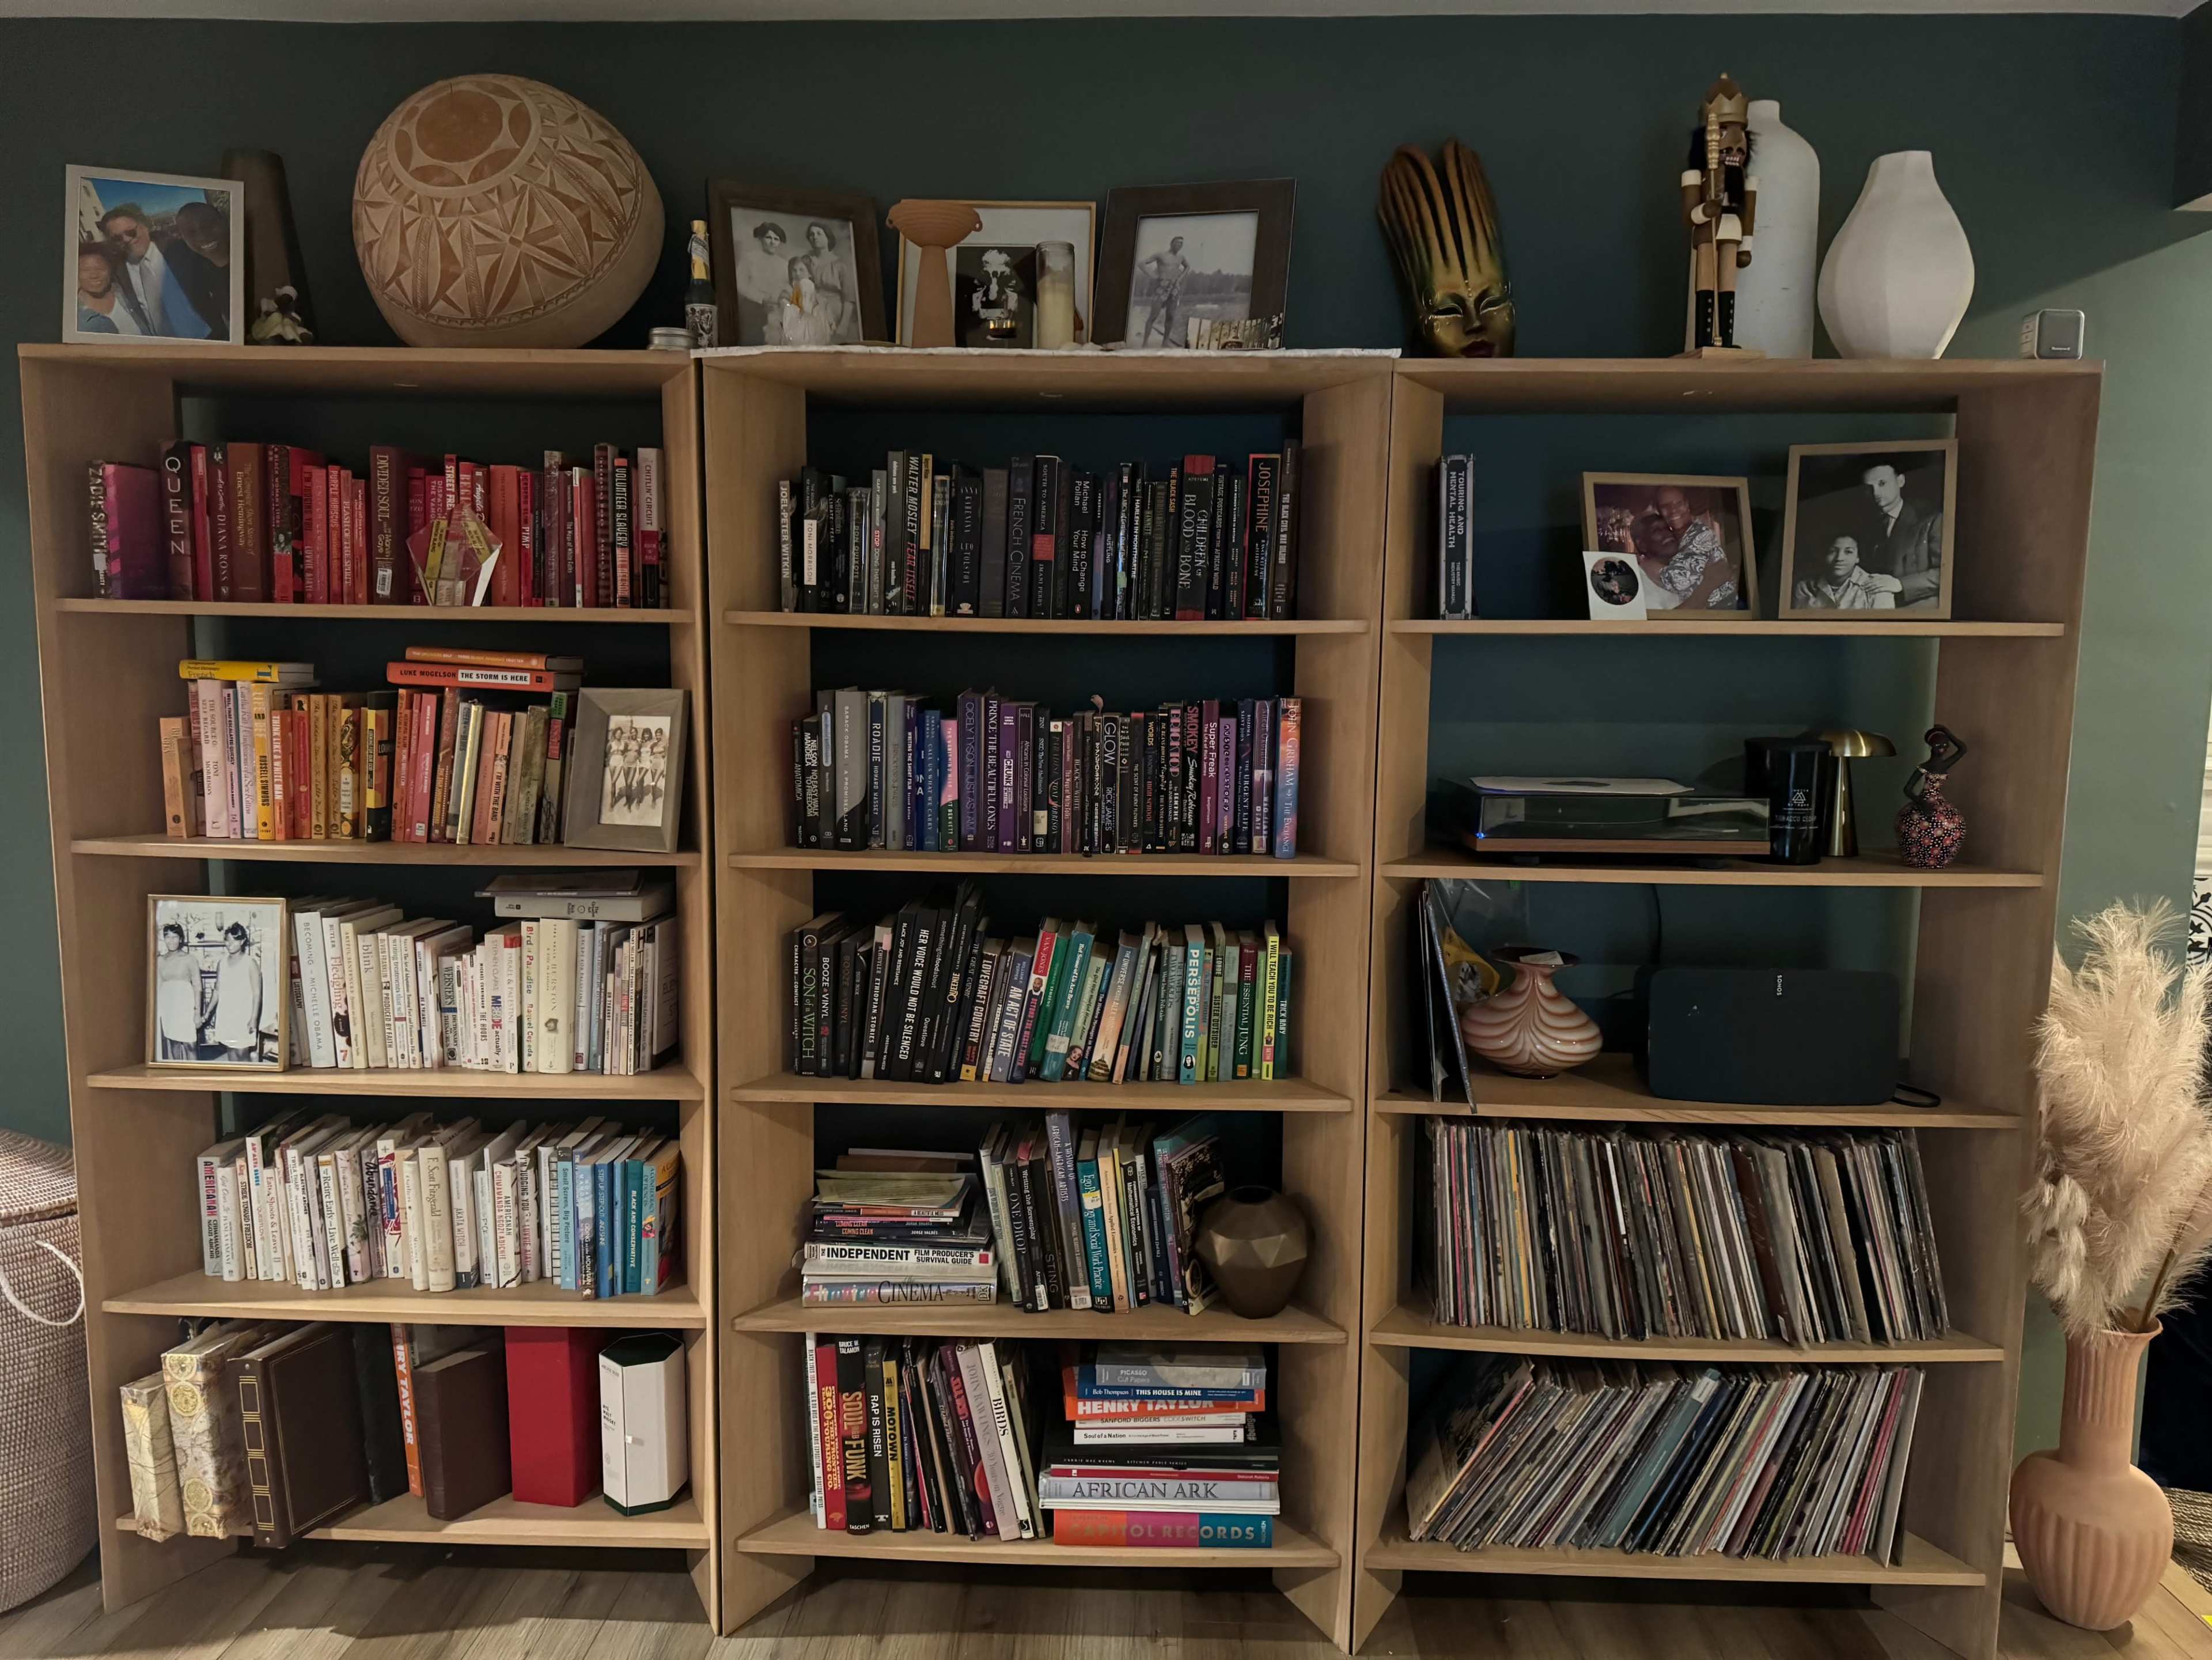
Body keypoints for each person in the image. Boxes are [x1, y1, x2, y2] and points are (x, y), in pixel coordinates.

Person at [97, 203, 212, 339]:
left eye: (130, 232)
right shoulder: (118, 271)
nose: (126, 240)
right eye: (117, 238)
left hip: (209, 339)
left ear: (145, 227)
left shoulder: (181, 251)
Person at [1855, 459, 1944, 607]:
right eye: (1869, 488)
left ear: (1901, 481)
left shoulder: (1932, 518)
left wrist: (1900, 584)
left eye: (1882, 483)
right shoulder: (1867, 527)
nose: (1876, 493)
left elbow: (1946, 575)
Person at [1649, 485, 1738, 609]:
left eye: (1678, 503)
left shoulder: (1702, 535)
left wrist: (1647, 565)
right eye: (1665, 506)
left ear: (1687, 505)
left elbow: (1679, 580)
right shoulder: (1677, 539)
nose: (1673, 510)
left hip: (1723, 609)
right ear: (1659, 512)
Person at [169, 201, 231, 339]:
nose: (202, 236)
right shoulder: (198, 274)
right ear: (183, 239)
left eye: (209, 225)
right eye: (191, 233)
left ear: (224, 221)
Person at [1793, 532, 1901, 611]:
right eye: (1832, 551)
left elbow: (1881, 632)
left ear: (1858, 557)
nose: (1839, 558)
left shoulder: (1877, 586)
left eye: (1848, 552)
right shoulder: (1805, 588)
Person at [207, 921, 264, 1064]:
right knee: (231, 1051)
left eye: (235, 940)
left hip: (243, 1015)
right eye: (228, 940)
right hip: (226, 1014)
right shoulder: (222, 963)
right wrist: (208, 1013)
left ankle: (248, 1084)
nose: (230, 944)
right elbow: (217, 991)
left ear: (243, 941)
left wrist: (254, 1019)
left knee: (242, 1053)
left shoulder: (250, 963)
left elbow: (257, 994)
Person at [154, 921, 206, 1061]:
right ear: (164, 939)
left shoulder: (190, 959)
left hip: (186, 1007)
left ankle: (194, 1076)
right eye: (168, 937)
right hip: (168, 1009)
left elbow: (198, 986)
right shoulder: (160, 961)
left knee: (190, 1044)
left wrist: (197, 1012)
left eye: (175, 937)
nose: (171, 941)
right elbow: (158, 987)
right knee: (174, 1043)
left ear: (181, 939)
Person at [74, 240, 148, 336]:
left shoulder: (128, 294)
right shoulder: (74, 315)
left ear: (111, 270)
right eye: (86, 270)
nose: (94, 275)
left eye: (100, 269)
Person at [734, 220, 790, 345]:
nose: (772, 242)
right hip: (753, 307)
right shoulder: (750, 258)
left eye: (776, 239)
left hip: (776, 309)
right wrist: (761, 298)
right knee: (755, 342)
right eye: (768, 237)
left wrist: (783, 296)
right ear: (760, 238)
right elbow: (740, 283)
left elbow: (787, 286)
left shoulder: (784, 264)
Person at [1132, 235, 1192, 347]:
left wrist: (1179, 280)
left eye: (1181, 243)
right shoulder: (1161, 255)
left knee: (1171, 316)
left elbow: (1188, 267)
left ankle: (1165, 342)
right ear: (1171, 244)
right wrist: (1152, 275)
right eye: (1177, 243)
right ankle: (1145, 343)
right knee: (1153, 316)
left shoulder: (1181, 257)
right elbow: (1141, 263)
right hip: (1161, 287)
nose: (1179, 245)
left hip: (1174, 288)